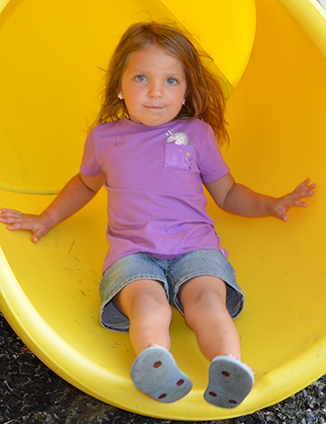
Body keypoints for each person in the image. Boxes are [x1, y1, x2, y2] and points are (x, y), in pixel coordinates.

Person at [0, 22, 315, 408]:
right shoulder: (104, 138)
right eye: (142, 78)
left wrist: (271, 204)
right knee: (149, 305)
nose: (155, 91)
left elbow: (228, 193)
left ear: (185, 92)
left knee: (207, 302)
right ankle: (155, 364)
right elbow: (84, 184)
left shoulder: (196, 134)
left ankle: (229, 367)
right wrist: (45, 219)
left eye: (170, 81)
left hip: (196, 248)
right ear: (119, 85)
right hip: (133, 254)